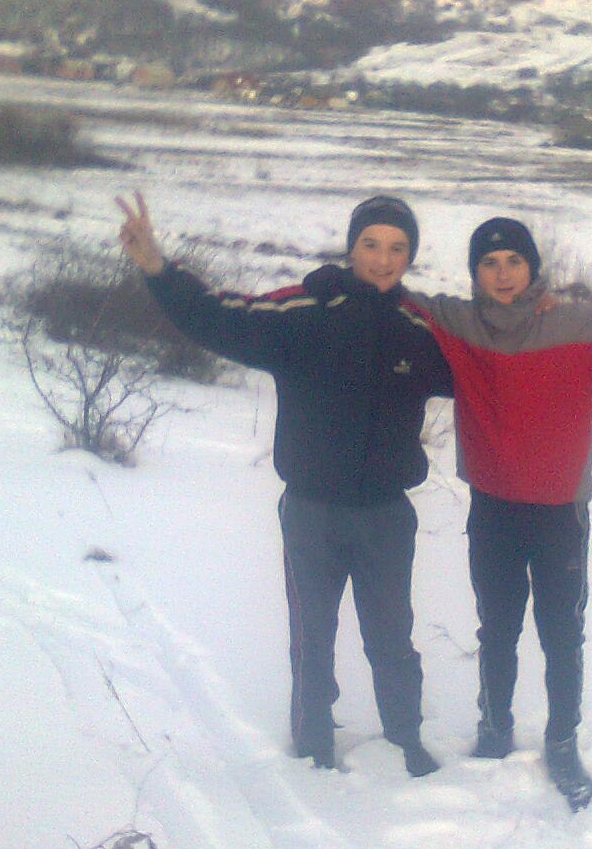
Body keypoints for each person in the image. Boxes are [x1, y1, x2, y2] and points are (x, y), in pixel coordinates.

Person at [309, 217, 592, 811]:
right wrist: (333, 281)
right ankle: (494, 730)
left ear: (532, 268)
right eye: (489, 263)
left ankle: (563, 743)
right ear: (475, 272)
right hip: (493, 507)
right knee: (496, 629)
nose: (502, 274)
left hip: (558, 513)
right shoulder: (455, 322)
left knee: (560, 634)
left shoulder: (571, 325)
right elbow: (388, 294)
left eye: (514, 262)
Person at [117, 190, 453, 778]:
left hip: (385, 515)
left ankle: (406, 739)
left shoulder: (419, 329)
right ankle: (312, 744)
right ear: (352, 247)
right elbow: (219, 317)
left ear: (410, 256)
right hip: (311, 512)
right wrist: (158, 270)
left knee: (392, 637)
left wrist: (536, 313)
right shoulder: (303, 313)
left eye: (397, 248)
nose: (382, 259)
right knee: (312, 636)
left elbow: (494, 361)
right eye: (371, 244)